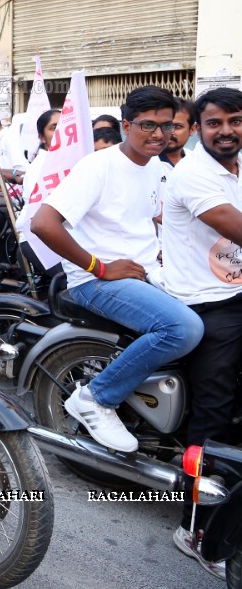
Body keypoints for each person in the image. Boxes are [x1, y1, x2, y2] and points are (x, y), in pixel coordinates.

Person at [31, 85, 203, 454]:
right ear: (126, 125)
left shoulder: (159, 169)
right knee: (182, 327)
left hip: (147, 274)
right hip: (95, 282)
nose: (159, 135)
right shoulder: (99, 165)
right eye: (148, 126)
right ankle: (96, 397)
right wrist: (100, 267)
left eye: (168, 126)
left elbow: (162, 219)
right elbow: (44, 223)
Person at [160, 88, 242, 579]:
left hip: (236, 292)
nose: (227, 131)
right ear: (197, 128)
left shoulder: (238, 167)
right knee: (213, 413)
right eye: (215, 124)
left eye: (235, 121)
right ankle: (194, 526)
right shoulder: (193, 173)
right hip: (205, 303)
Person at [162, 98, 195, 167]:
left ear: (192, 130)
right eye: (166, 126)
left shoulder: (196, 162)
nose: (170, 132)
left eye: (177, 126)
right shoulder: (145, 162)